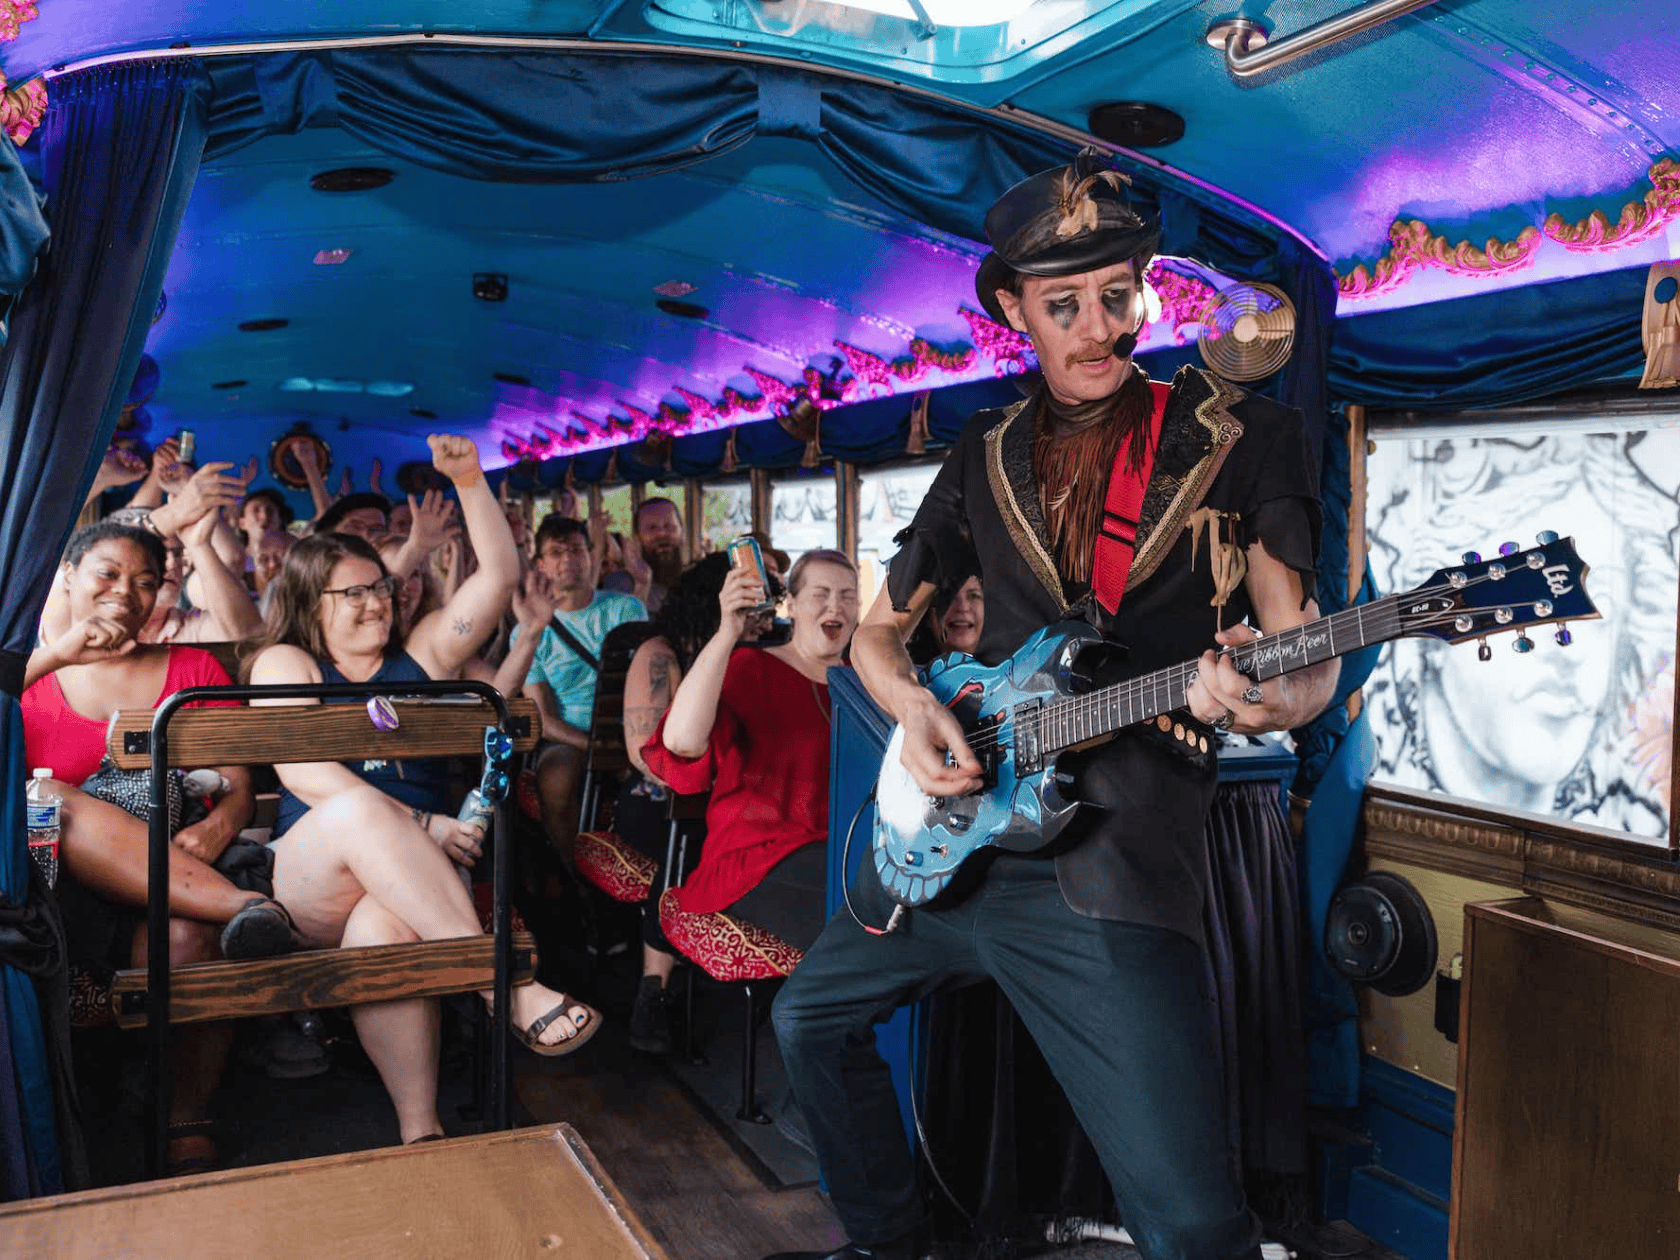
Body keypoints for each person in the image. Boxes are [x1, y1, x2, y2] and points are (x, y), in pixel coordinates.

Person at [766, 149, 1337, 1260]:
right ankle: (896, 1240)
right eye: (1063, 304)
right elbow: (880, 635)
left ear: (1145, 290)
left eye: (1115, 297)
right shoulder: (979, 453)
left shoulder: (1244, 438)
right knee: (806, 1018)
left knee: (1190, 1223)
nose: (1094, 329)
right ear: (1015, 311)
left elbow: (1297, 643)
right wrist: (913, 711)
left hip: (1113, 864)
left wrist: (1274, 703)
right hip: (958, 841)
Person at [248, 435, 603, 1147]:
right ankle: (505, 986)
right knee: (352, 806)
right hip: (313, 872)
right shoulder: (289, 660)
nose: (376, 603)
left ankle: (420, 1133)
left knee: (385, 930)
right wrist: (429, 826)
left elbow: (499, 574)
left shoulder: (424, 655)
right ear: (309, 603)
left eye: (379, 587)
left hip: (414, 881)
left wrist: (469, 479)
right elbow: (304, 777)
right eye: (354, 594)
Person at [22, 521, 301, 1174]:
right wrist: (60, 652)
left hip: (186, 866)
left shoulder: (192, 670)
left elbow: (237, 786)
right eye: (108, 574)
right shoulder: (32, 670)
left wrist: (221, 824)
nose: (127, 591)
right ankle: (245, 910)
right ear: (66, 576)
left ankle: (185, 1111)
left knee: (181, 935)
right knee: (58, 798)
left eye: (145, 581)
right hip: (61, 886)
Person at [636, 550, 859, 1048]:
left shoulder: (868, 682)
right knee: (863, 936)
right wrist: (726, 633)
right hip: (755, 858)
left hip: (845, 854)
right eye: (820, 594)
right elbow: (683, 744)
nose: (836, 606)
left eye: (847, 595)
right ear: (792, 606)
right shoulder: (749, 667)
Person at [517, 515, 647, 864]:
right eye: (556, 552)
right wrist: (595, 746)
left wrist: (629, 742)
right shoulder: (528, 631)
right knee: (556, 784)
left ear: (591, 555)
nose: (568, 560)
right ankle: (570, 874)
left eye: (576, 549)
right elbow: (543, 717)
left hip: (630, 727)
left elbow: (647, 683)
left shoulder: (626, 609)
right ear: (541, 564)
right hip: (569, 736)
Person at [633, 496, 686, 614]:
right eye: (652, 528)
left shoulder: (702, 580)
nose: (661, 533)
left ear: (682, 532)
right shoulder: (622, 583)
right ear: (638, 537)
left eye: (668, 526)